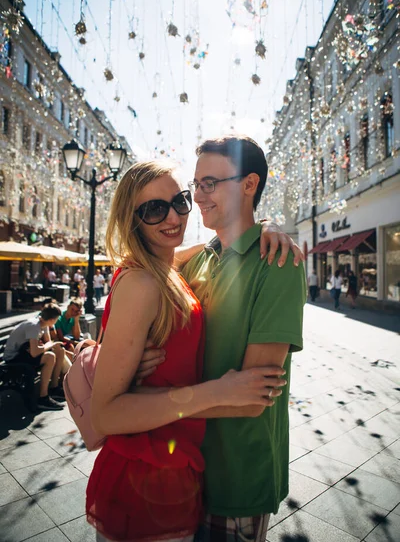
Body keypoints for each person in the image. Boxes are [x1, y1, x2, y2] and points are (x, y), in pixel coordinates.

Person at [86, 160, 297, 542]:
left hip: (178, 468)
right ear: (130, 219)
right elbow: (104, 414)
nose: (175, 214)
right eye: (153, 209)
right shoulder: (143, 282)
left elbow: (204, 248)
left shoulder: (171, 267)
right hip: (145, 473)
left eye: (179, 201)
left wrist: (266, 226)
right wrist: (215, 392)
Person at [138, 136, 306, 542]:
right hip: (181, 467)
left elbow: (252, 399)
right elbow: (138, 263)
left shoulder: (277, 264)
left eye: (210, 183)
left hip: (236, 476)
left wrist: (142, 409)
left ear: (249, 184)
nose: (197, 196)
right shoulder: (199, 257)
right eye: (195, 185)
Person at [3, 303, 68, 411]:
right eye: (56, 319)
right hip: (14, 357)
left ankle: (54, 387)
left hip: (24, 353)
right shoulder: (34, 326)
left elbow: (48, 342)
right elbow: (34, 352)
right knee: (50, 357)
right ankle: (43, 397)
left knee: (59, 351)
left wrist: (50, 345)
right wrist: (48, 345)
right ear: (52, 319)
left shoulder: (44, 324)